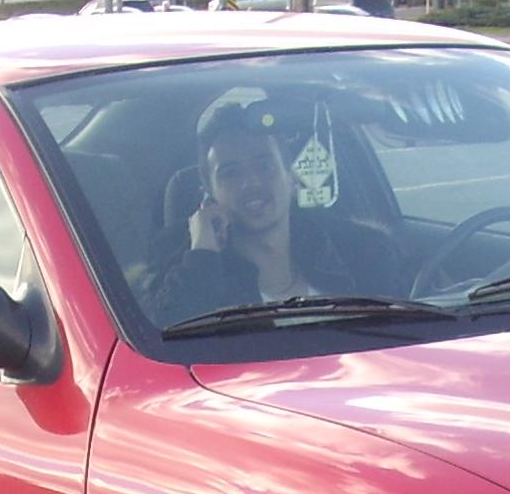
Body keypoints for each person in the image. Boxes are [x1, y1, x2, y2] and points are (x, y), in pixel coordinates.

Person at [150, 99, 400, 326]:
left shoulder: (362, 252)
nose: (251, 183)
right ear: (209, 193)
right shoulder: (187, 272)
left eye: (264, 165)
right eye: (231, 173)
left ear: (290, 176)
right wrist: (203, 253)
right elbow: (169, 336)